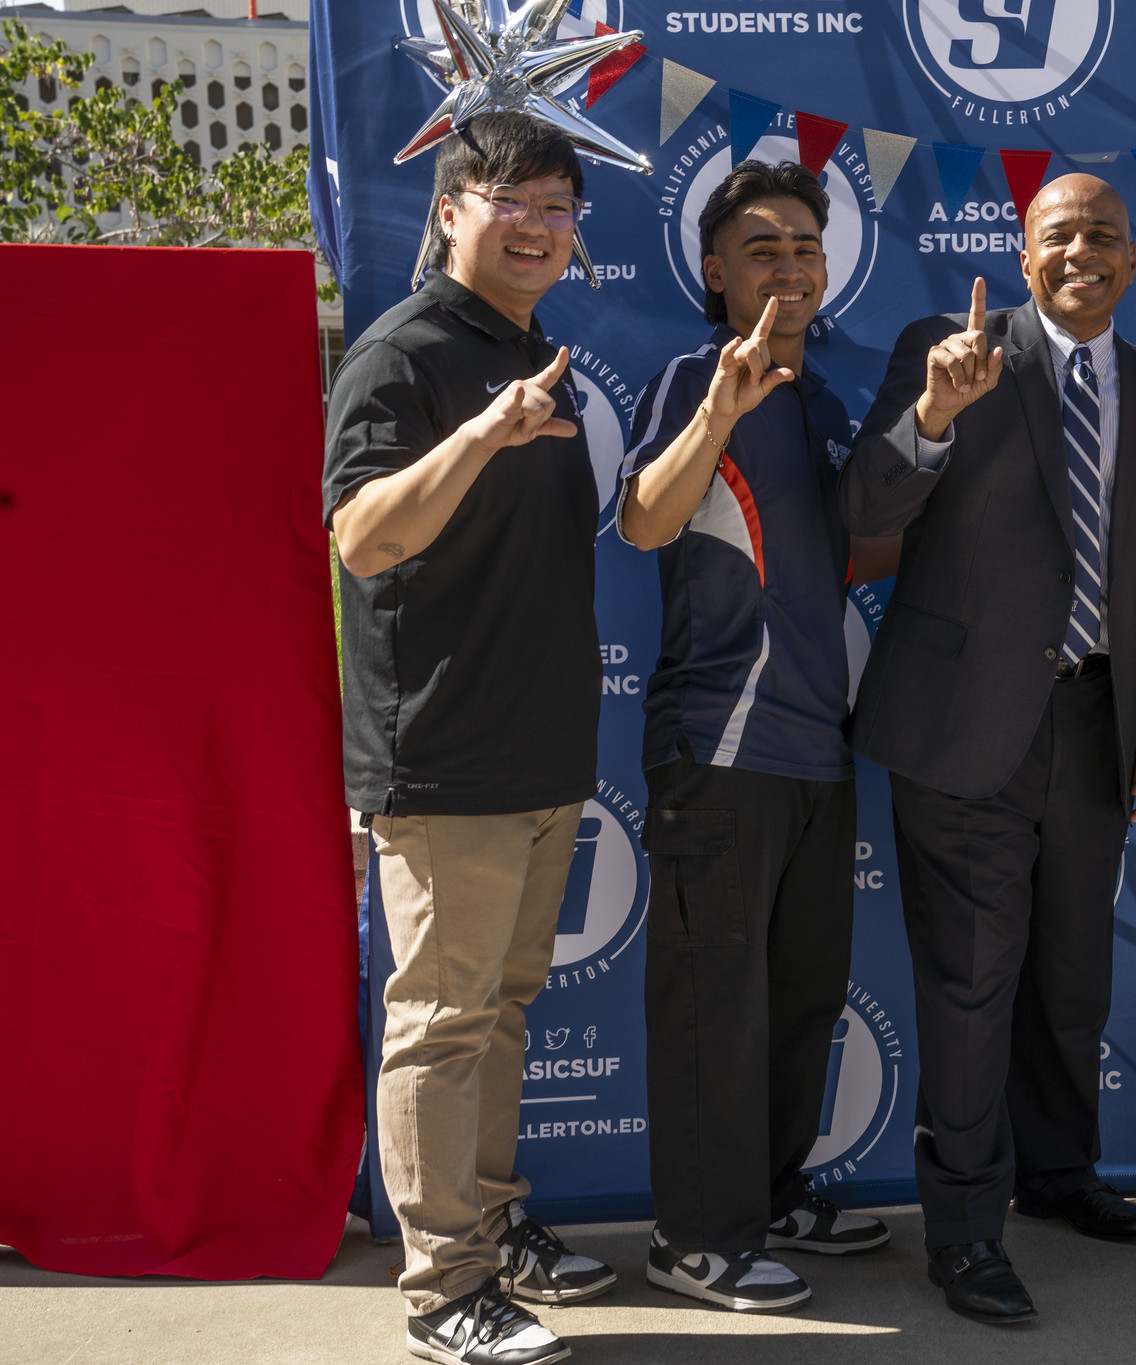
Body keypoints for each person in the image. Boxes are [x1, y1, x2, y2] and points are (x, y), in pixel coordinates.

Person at [839, 175, 1136, 1325]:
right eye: (1061, 236)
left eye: (1104, 237)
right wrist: (934, 418)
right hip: (961, 729)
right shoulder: (948, 350)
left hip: (1092, 727)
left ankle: (1058, 1174)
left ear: (1134, 260)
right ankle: (962, 1232)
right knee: (968, 988)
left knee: (1068, 979)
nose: (1083, 255)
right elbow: (860, 509)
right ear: (1023, 249)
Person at [324, 112, 616, 1365]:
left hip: (538, 749)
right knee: (442, 1022)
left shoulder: (528, 346)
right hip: (441, 756)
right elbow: (362, 539)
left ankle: (490, 1229)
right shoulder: (405, 357)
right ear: (450, 211)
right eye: (515, 202)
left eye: (560, 207)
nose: (542, 227)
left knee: (497, 1010)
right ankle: (444, 1294)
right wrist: (479, 435)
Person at [616, 160, 897, 1315]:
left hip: (816, 753)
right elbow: (641, 520)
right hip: (716, 749)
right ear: (715, 269)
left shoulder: (828, 402)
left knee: (797, 1001)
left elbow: (841, 559)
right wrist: (721, 410)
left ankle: (773, 1198)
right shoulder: (692, 376)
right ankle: (693, 1240)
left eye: (805, 249)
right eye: (763, 248)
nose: (788, 266)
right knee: (711, 1013)